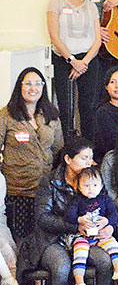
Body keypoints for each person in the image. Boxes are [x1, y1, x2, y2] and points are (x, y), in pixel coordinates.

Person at [20, 137, 115, 285]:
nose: (89, 162)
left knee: (105, 261)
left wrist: (109, 226)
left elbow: (108, 208)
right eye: (84, 158)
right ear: (68, 159)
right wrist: (74, 226)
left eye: (91, 158)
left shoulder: (94, 178)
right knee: (61, 266)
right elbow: (42, 219)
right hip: (51, 237)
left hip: (84, 238)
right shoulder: (50, 181)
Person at [0, 68, 63, 240]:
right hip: (17, 190)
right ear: (19, 87)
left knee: (42, 240)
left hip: (44, 190)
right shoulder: (7, 115)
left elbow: (59, 150)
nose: (33, 88)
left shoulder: (51, 115)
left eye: (37, 84)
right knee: (20, 241)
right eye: (28, 83)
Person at [49, 0, 103, 140]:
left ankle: (89, 148)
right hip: (64, 58)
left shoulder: (90, 5)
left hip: (88, 60)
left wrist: (83, 63)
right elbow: (54, 36)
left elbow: (97, 39)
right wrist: (73, 61)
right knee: (66, 107)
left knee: (88, 106)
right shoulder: (56, 1)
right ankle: (68, 147)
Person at [65, 166, 118, 285]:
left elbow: (114, 214)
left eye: (94, 185)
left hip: (101, 234)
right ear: (78, 186)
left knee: (114, 246)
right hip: (82, 236)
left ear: (101, 185)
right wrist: (80, 219)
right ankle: (80, 282)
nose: (91, 189)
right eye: (86, 185)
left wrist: (106, 221)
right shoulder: (77, 200)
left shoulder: (105, 199)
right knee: (79, 255)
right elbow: (69, 215)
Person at [92, 67, 118, 161]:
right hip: (116, 159)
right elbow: (112, 143)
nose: (117, 86)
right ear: (106, 87)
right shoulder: (103, 112)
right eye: (113, 82)